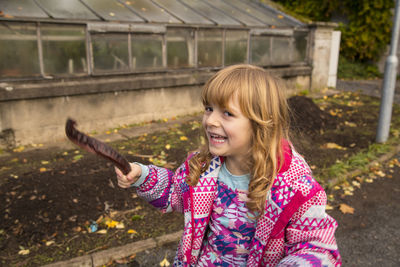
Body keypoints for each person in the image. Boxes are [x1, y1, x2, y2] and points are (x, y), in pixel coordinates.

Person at [116, 64, 341, 266]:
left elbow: (315, 246)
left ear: (260, 123)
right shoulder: (203, 167)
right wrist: (143, 176)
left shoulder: (294, 188)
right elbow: (175, 193)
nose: (211, 120)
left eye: (227, 113)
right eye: (209, 108)